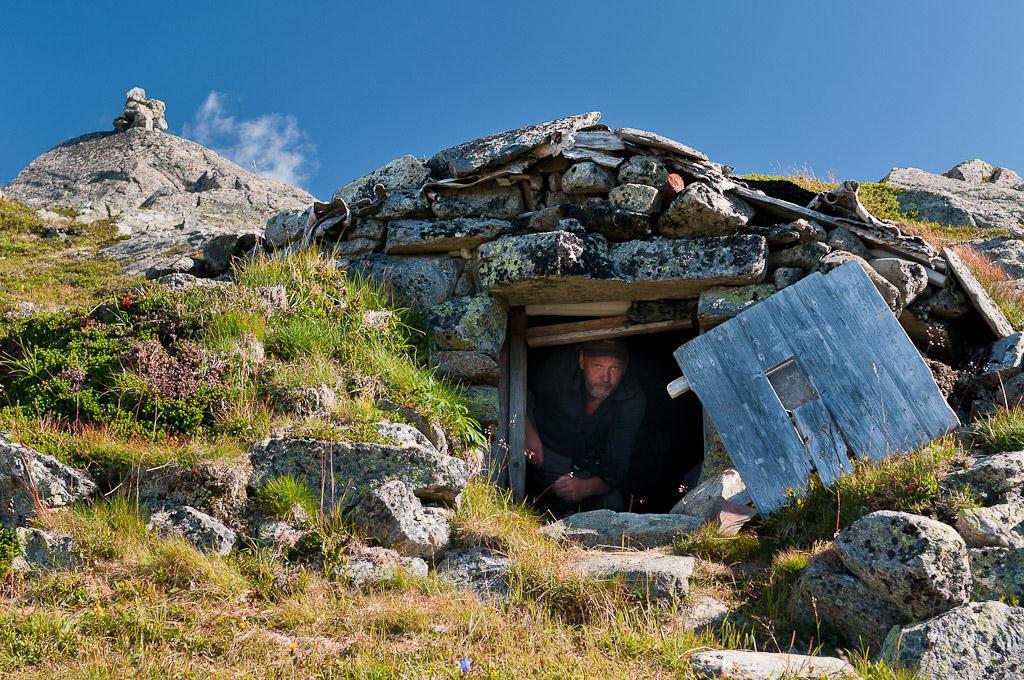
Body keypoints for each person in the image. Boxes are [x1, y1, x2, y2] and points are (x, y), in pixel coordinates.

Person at [524, 338, 646, 513]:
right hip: (543, 450)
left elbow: (618, 464)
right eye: (597, 366)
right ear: (582, 360)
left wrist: (585, 487)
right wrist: (527, 432)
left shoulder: (631, 397)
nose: (605, 378)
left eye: (614, 368)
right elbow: (517, 385)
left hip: (588, 467)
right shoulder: (556, 369)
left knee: (613, 503)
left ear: (625, 367)